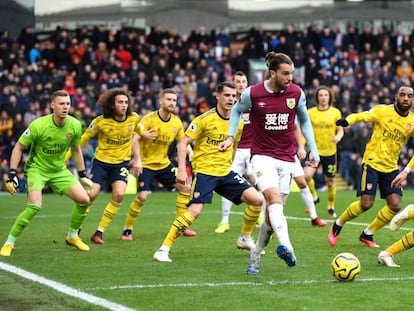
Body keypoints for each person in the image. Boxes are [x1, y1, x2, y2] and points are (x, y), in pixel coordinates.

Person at [220, 52, 320, 275]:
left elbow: (304, 119)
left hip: (287, 157)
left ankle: (255, 255)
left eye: (292, 73)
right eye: (285, 73)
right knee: (273, 199)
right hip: (262, 156)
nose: (290, 77)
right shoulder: (253, 93)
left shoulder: (296, 92)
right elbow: (236, 111)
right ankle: (288, 246)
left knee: (270, 216)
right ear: (272, 73)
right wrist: (229, 136)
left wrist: (313, 147)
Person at [153, 81, 263, 263]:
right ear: (218, 96)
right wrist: (182, 169)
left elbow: (234, 145)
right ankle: (163, 249)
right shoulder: (204, 119)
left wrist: (232, 165)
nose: (231, 99)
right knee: (195, 210)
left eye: (234, 96)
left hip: (225, 172)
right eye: (227, 95)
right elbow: (182, 143)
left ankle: (244, 237)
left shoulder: (239, 122)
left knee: (257, 200)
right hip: (205, 172)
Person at [0, 90, 93, 257]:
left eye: (68, 103)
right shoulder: (38, 125)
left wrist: (83, 174)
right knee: (34, 206)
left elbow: (76, 150)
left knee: (84, 200)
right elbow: (19, 147)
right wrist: (12, 173)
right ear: (52, 105)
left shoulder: (75, 125)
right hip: (37, 169)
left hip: (58, 170)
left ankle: (72, 236)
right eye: (61, 104)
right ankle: (9, 242)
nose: (65, 107)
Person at [65, 87, 155, 245]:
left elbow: (138, 129)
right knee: (91, 195)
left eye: (126, 102)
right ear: (112, 105)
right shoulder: (100, 122)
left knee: (119, 194)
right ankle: (76, 229)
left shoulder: (133, 118)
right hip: (101, 163)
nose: (124, 105)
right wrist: (65, 158)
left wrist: (144, 134)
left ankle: (99, 232)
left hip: (120, 164)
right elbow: (83, 140)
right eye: (120, 102)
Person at [328, 85, 414, 248]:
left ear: (412, 100)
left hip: (391, 168)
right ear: (396, 97)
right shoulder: (382, 111)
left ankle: (368, 234)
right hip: (372, 163)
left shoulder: (412, 122)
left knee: (395, 205)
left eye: (409, 96)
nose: (405, 99)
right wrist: (347, 121)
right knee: (366, 203)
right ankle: (338, 224)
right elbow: (361, 116)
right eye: (402, 95)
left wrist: (406, 171)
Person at [121, 88, 197, 241]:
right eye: (168, 99)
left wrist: (191, 153)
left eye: (174, 100)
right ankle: (127, 229)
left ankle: (180, 226)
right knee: (142, 196)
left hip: (163, 164)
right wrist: (138, 160)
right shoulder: (149, 119)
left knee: (186, 188)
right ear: (160, 100)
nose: (171, 103)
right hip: (146, 164)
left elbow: (183, 141)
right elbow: (135, 139)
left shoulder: (176, 122)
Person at [215, 71, 260, 234]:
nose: (241, 84)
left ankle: (260, 215)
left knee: (258, 181)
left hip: (253, 148)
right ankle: (224, 221)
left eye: (243, 81)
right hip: (235, 149)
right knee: (228, 182)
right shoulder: (230, 104)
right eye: (238, 81)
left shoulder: (253, 102)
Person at [303, 85, 344, 218]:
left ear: (330, 97)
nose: (323, 98)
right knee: (306, 176)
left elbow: (340, 130)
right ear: (317, 98)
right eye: (321, 95)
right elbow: (305, 131)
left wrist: (337, 137)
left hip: (330, 152)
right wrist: (302, 145)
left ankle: (331, 207)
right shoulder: (310, 112)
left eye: (326, 95)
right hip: (314, 151)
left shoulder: (336, 112)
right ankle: (314, 197)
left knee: (330, 182)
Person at [293, 123, 326, 227]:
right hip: (271, 154)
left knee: (303, 182)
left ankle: (314, 217)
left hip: (289, 153)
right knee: (273, 190)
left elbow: (297, 127)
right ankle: (262, 217)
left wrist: (302, 147)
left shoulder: (293, 111)